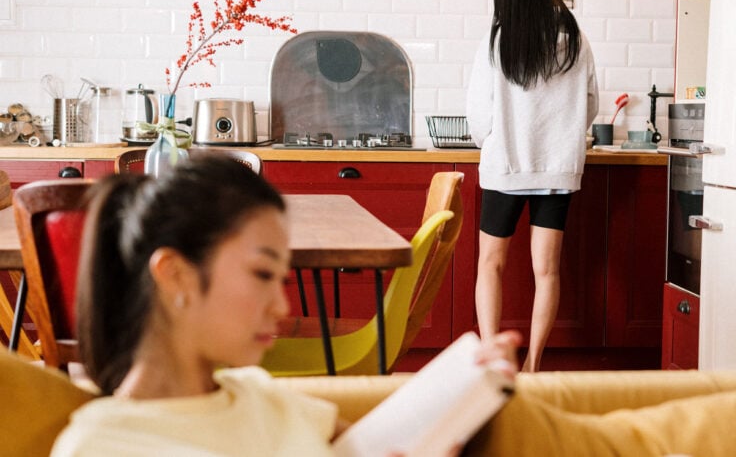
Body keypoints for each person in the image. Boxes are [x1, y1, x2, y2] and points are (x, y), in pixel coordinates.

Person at [52, 155, 520, 456]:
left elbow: (376, 442)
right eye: (262, 274)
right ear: (175, 274)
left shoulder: (260, 396)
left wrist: (459, 391)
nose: (282, 306)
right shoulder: (101, 445)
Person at [466, 0, 599, 372]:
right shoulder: (574, 37)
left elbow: (479, 112)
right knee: (548, 271)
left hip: (506, 167)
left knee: (491, 263)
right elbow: (591, 102)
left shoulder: (497, 39)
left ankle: (492, 360)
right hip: (556, 168)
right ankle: (533, 365)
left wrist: (489, 141)